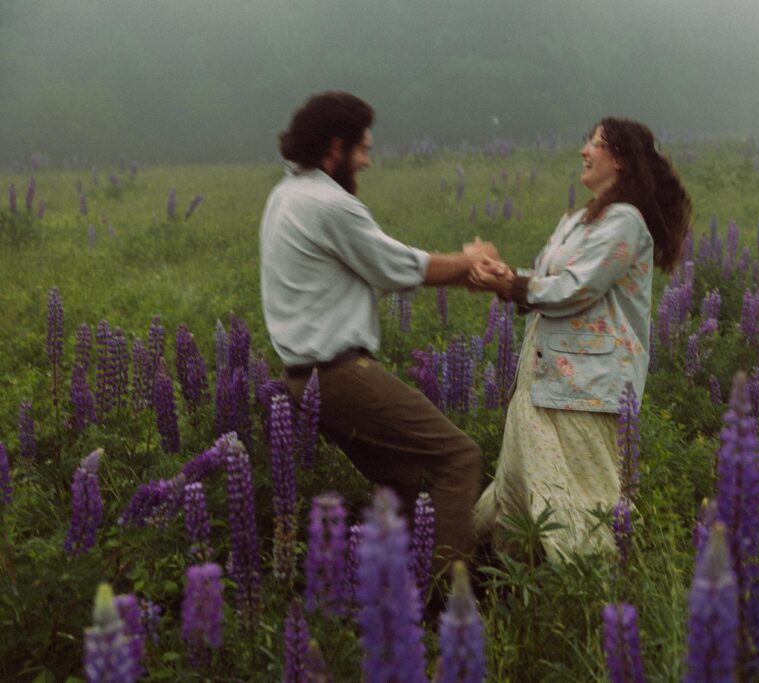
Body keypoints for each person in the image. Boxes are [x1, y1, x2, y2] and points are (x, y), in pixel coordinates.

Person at [259, 91, 490, 578]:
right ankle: (447, 600)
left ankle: (392, 593)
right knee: (459, 457)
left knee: (402, 480)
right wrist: (469, 263)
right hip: (340, 377)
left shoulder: (286, 194)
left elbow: (352, 275)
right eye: (363, 149)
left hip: (304, 378)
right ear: (334, 148)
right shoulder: (329, 204)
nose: (367, 160)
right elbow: (399, 267)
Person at [470, 118, 692, 560]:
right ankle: (500, 588)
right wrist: (505, 276)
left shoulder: (625, 222)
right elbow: (551, 282)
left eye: (595, 143)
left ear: (622, 161)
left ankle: (590, 605)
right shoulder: (579, 219)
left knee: (577, 504)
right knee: (516, 497)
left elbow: (578, 288)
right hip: (542, 379)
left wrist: (513, 286)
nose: (583, 151)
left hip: (585, 389)